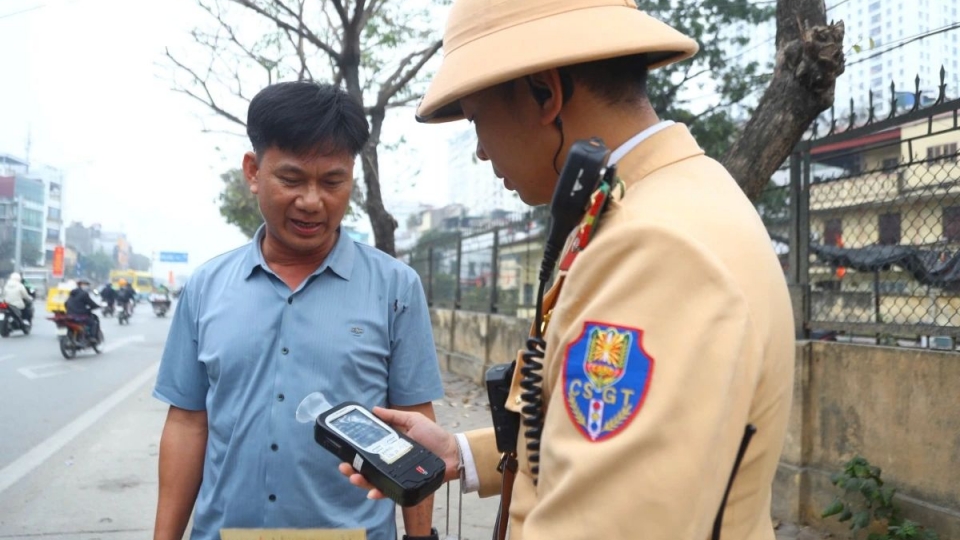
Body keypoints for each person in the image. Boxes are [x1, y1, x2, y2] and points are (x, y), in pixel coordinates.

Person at [341, 2, 796, 540]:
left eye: (476, 119)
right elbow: (616, 443)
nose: (481, 152)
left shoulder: (656, 247)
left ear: (544, 93)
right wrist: (462, 453)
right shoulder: (674, 199)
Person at [152, 81, 444, 540]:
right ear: (253, 171)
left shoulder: (396, 287)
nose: (312, 201)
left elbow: (416, 426)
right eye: (291, 179)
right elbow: (189, 423)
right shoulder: (206, 287)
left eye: (332, 181)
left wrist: (419, 537)